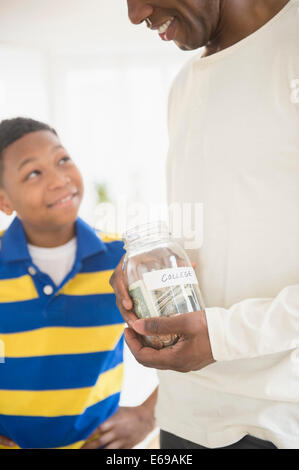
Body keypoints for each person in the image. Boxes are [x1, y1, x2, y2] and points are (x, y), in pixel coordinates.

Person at [110, 0, 299, 449]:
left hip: (278, 418)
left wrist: (223, 337)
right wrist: (151, 269)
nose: (135, 14)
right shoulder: (184, 86)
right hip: (186, 416)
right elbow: (209, 234)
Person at [0, 117, 157, 449]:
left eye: (62, 160)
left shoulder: (125, 259)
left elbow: (187, 344)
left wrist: (148, 414)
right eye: (33, 173)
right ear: (4, 200)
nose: (59, 180)